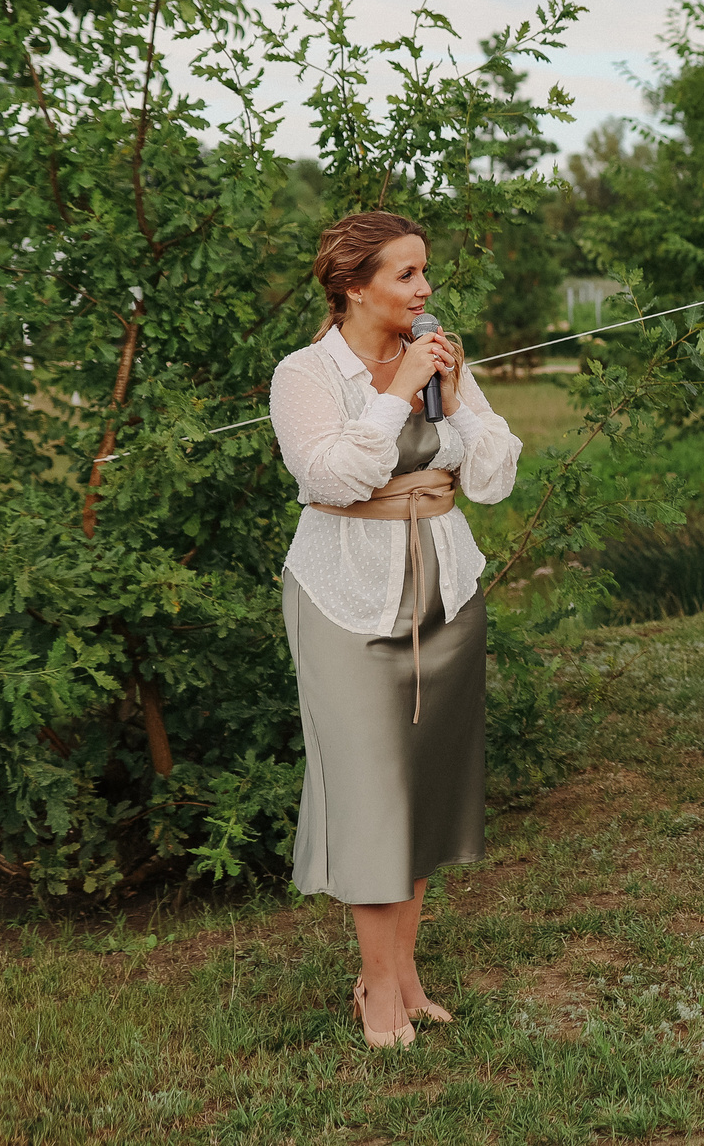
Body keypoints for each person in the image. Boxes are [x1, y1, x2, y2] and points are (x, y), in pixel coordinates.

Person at [269, 212, 521, 1046]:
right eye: (407, 275)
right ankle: (375, 989)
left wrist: (455, 398)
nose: (425, 289)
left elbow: (492, 475)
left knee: (419, 789)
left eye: (425, 272)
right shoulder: (306, 374)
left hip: (445, 590)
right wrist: (395, 393)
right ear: (354, 286)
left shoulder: (442, 357)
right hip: (345, 596)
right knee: (373, 793)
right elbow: (335, 476)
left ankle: (405, 974)